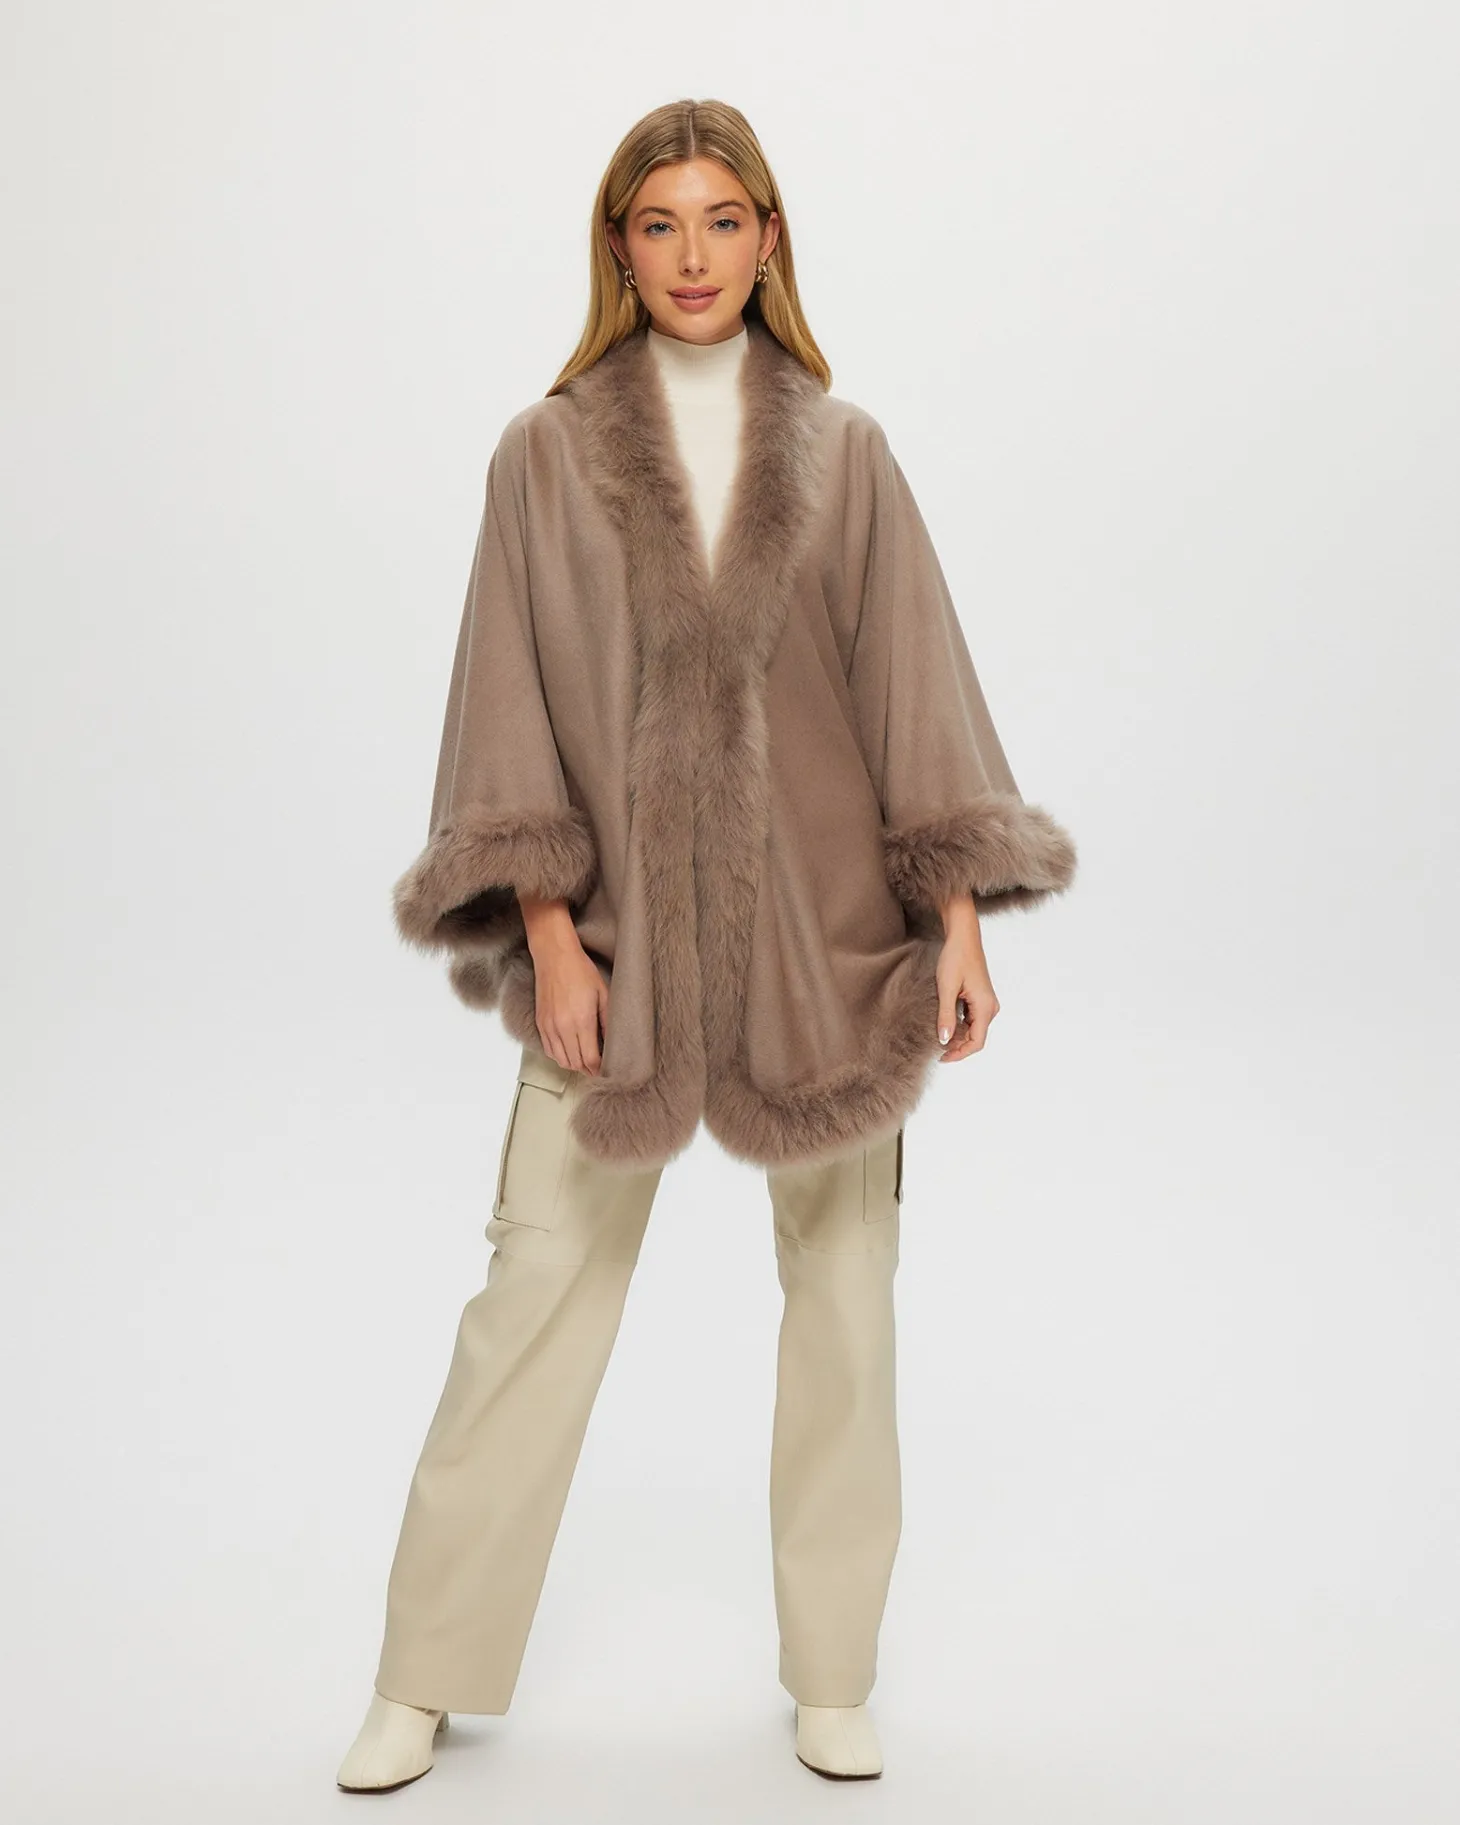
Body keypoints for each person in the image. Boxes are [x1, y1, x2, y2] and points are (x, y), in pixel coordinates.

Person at [336, 96, 1077, 1794]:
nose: (692, 256)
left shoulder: (846, 450)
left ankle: (834, 1672)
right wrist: (549, 933)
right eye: (660, 223)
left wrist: (959, 916)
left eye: (723, 221)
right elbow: (506, 697)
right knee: (534, 1291)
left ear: (769, 237)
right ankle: (422, 1671)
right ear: (620, 245)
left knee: (848, 1305)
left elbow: (911, 684)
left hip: (833, 942)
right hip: (616, 948)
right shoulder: (543, 455)